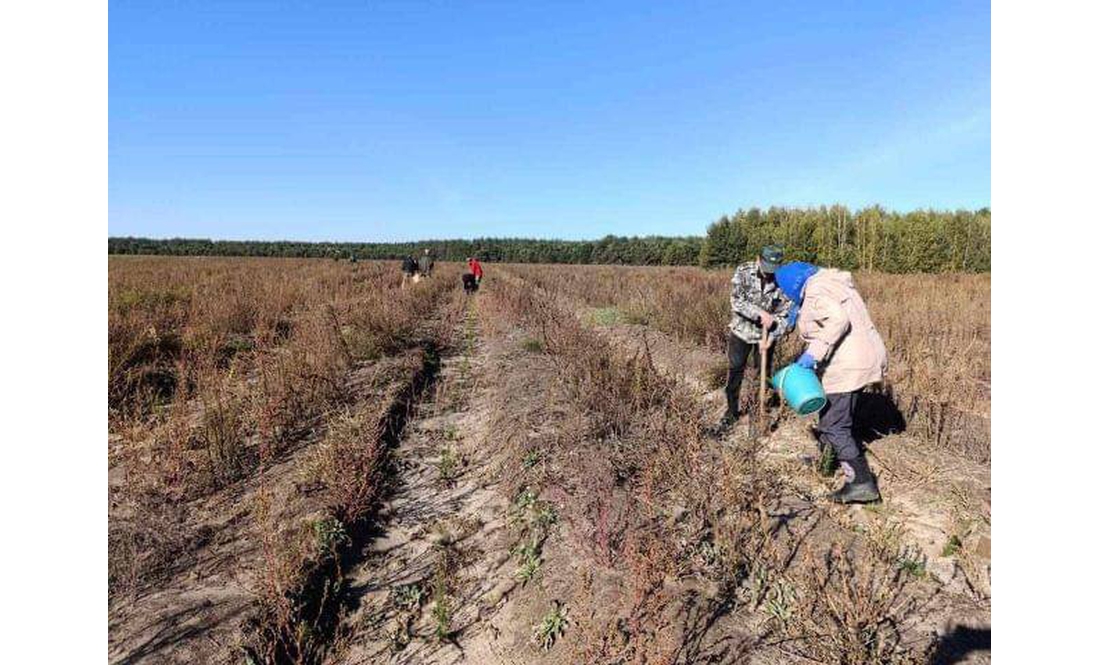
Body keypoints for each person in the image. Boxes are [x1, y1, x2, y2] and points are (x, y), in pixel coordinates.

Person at [774, 261, 888, 504]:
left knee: (836, 425)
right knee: (829, 414)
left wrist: (813, 354)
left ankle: (861, 483)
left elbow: (838, 320)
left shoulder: (817, 291)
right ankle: (827, 462)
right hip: (860, 356)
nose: (786, 296)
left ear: (793, 285)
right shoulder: (830, 284)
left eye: (786, 291)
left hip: (847, 363)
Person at [719, 245, 792, 432]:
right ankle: (731, 412)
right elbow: (736, 301)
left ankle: (759, 413)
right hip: (741, 332)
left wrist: (773, 334)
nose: (769, 275)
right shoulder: (743, 271)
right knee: (736, 370)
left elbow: (787, 316)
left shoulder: (784, 281)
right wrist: (760, 314)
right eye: (766, 268)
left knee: (764, 375)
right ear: (758, 259)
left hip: (765, 338)